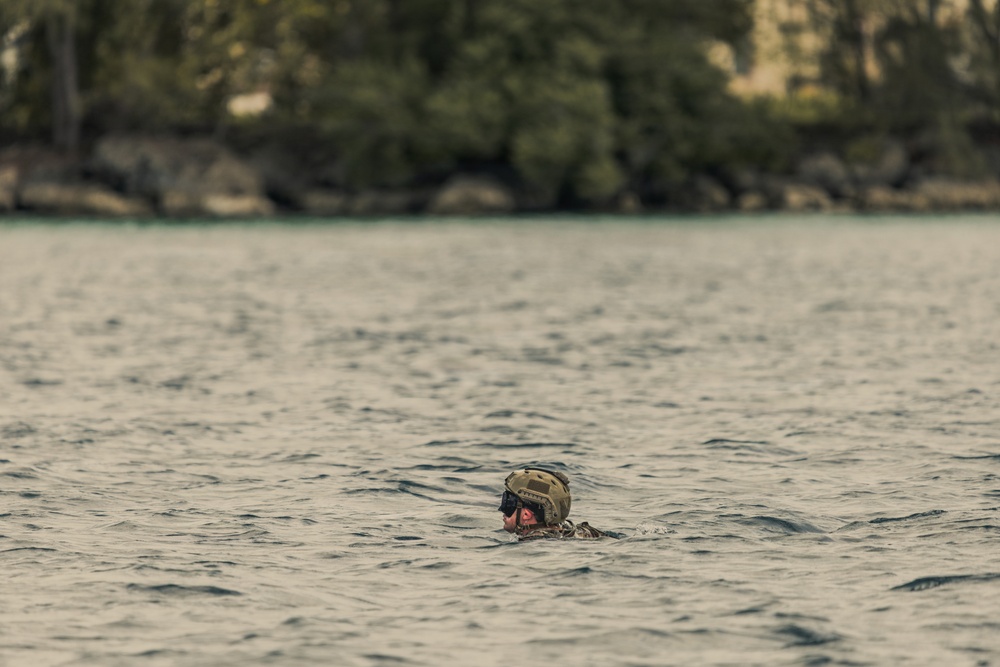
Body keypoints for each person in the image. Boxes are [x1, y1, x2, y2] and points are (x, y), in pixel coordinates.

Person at [498, 467, 607, 540]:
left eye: (508, 503)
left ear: (526, 514)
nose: (502, 510)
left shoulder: (535, 542)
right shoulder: (579, 531)